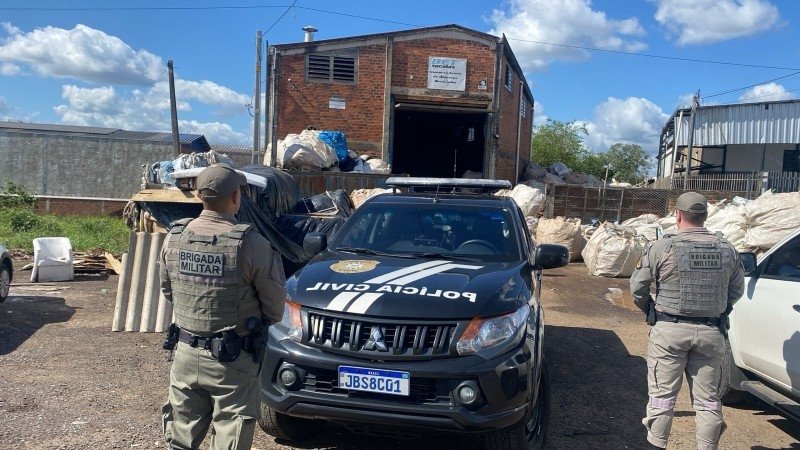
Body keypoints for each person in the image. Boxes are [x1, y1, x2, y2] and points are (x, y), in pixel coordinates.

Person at [159, 163, 286, 450]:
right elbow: (274, 308)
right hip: (234, 359)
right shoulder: (253, 244)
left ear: (200, 196)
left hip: (185, 352)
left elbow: (169, 292)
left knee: (180, 436)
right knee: (231, 430)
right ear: (235, 197)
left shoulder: (174, 237)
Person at [630, 192, 745, 450]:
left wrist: (651, 310)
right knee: (708, 402)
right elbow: (736, 289)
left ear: (678, 215)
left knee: (661, 400)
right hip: (710, 332)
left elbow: (638, 287)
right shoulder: (727, 249)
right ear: (705, 216)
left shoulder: (661, 247)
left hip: (669, 330)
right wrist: (718, 309)